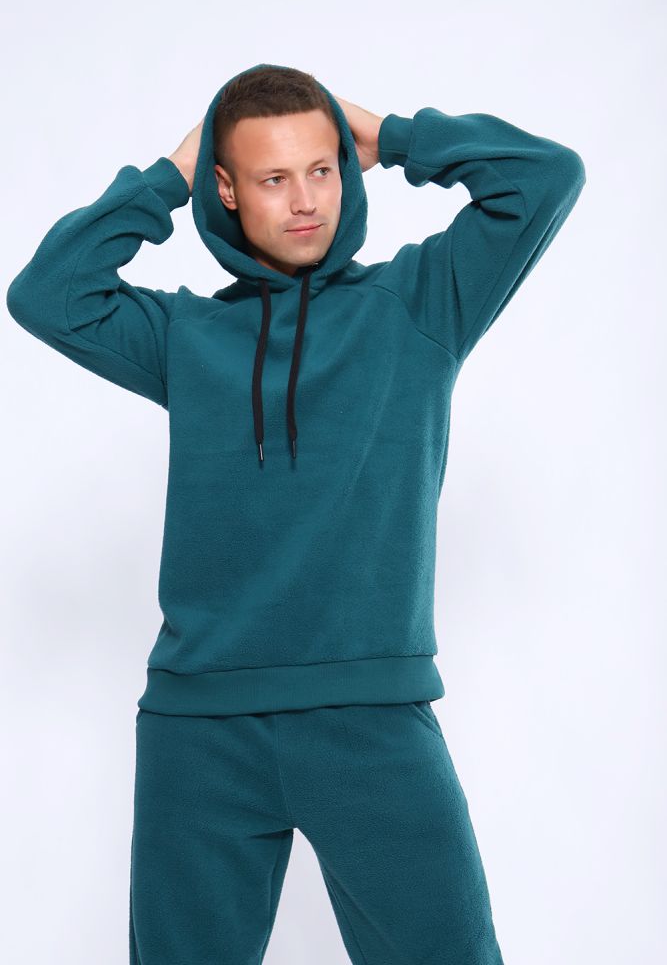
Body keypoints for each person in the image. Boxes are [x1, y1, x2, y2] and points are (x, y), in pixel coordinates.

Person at [7, 62, 586, 964]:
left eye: (321, 169)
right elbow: (47, 294)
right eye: (273, 178)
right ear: (227, 190)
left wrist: (390, 135)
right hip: (198, 728)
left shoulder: (420, 305)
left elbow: (544, 178)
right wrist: (170, 176)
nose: (307, 200)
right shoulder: (186, 337)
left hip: (370, 718)